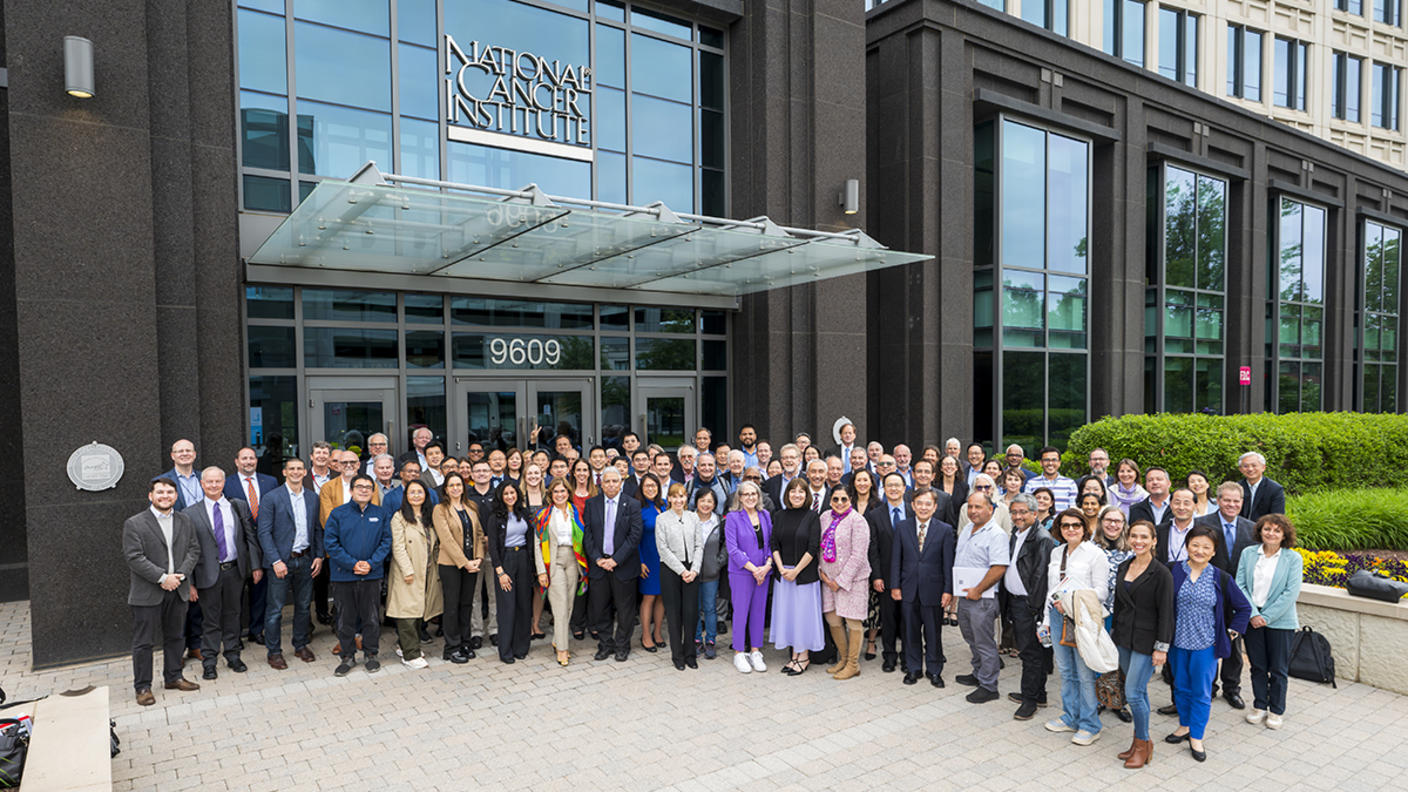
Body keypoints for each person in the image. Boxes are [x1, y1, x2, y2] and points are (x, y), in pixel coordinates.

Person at [1165, 526, 1252, 761]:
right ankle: (1184, 726)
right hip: (1177, 643)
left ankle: (1197, 736)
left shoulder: (1220, 577)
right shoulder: (1173, 571)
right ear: (1187, 546)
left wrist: (1232, 632)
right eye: (1195, 545)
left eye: (1206, 547)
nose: (1199, 550)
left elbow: (1244, 608)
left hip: (1206, 645)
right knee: (1180, 687)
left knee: (1201, 692)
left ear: (1213, 552)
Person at [125, 477, 201, 705]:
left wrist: (180, 575)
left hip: (178, 588)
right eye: (160, 492)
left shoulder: (185, 520)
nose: (165, 496)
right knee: (144, 642)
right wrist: (162, 578)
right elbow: (134, 557)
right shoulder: (135, 523)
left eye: (169, 492)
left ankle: (173, 677)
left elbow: (193, 550)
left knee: (176, 637)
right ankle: (143, 687)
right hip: (148, 591)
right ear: (151, 495)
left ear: (175, 496)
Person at [1041, 507, 1110, 744]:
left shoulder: (1095, 554)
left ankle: (1090, 724)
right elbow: (1050, 591)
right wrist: (1046, 620)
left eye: (1076, 525)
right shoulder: (1056, 552)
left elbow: (1102, 591)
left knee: (1084, 672)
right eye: (1065, 525)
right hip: (1058, 616)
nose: (1071, 529)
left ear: (1084, 528)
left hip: (1082, 619)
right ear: (1059, 529)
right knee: (1066, 671)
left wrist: (1071, 600)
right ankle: (1070, 716)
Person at [185, 467, 260, 680]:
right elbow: (187, 550)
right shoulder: (191, 513)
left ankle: (233, 655)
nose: (214, 485)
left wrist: (255, 566)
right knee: (210, 620)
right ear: (202, 484)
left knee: (233, 615)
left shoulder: (238, 506)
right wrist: (189, 583)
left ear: (224, 483)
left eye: (218, 481)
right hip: (207, 574)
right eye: (209, 482)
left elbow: (249, 539)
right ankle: (209, 661)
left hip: (234, 571)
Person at [1110, 520, 1174, 769]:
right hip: (1124, 637)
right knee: (1138, 691)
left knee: (1133, 694)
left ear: (1154, 540)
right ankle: (1140, 744)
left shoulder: (1161, 573)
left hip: (1147, 642)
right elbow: (1119, 604)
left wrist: (1162, 647)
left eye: (1144, 537)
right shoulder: (1125, 565)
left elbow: (1167, 613)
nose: (1138, 541)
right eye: (1134, 536)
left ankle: (1143, 743)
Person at [1236, 514, 1303, 730]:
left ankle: (1276, 710)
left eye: (1276, 530)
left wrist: (1266, 617)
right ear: (1260, 531)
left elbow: (1290, 593)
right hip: (1252, 619)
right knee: (1257, 666)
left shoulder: (1292, 559)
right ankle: (1259, 705)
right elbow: (1240, 585)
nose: (1271, 533)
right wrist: (1253, 614)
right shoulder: (1248, 554)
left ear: (1284, 535)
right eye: (1267, 529)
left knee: (1278, 668)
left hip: (1280, 622)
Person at [1196, 481, 1257, 708]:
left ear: (1242, 503)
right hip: (1207, 591)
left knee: (1234, 645)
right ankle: (1208, 687)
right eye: (1227, 500)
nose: (1231, 504)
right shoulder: (1202, 523)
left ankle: (1231, 688)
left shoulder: (1251, 528)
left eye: (1236, 501)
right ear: (1218, 500)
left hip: (1237, 596)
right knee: (1208, 643)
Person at [258, 457, 322, 669]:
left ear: (305, 472)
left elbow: (316, 530)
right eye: (291, 469)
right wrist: (275, 560)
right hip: (281, 562)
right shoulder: (271, 498)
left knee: (304, 607)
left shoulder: (313, 498)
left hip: (305, 560)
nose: (295, 472)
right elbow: (264, 532)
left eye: (299, 469)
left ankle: (300, 644)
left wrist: (318, 556)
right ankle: (274, 651)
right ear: (284, 472)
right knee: (275, 609)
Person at [325, 475, 392, 676]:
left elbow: (386, 542)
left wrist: (370, 564)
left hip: (372, 575)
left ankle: (371, 654)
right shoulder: (338, 514)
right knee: (345, 618)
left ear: (373, 491)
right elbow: (331, 543)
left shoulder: (381, 514)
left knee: (371, 617)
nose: (364, 490)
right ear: (352, 491)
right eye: (359, 487)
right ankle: (347, 656)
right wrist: (352, 564)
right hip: (344, 575)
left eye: (368, 487)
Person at [890, 487, 954, 687]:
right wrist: (895, 585)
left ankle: (934, 670)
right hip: (908, 589)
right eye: (920, 503)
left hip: (933, 590)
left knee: (933, 632)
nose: (923, 507)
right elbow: (896, 559)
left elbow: (948, 563)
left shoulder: (944, 530)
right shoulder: (902, 527)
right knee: (910, 631)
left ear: (935, 507)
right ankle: (914, 668)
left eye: (928, 504)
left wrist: (947, 590)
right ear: (913, 505)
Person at [953, 492, 1009, 703]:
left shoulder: (996, 534)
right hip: (966, 596)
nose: (973, 511)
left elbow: (999, 567)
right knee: (970, 638)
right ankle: (978, 673)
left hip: (983, 598)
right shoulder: (968, 528)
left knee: (985, 642)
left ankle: (989, 685)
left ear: (990, 509)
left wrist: (978, 589)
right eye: (970, 507)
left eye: (978, 507)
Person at [584, 468, 645, 662]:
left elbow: (635, 536)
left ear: (621, 483)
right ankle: (605, 644)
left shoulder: (633, 504)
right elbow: (588, 535)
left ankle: (622, 645)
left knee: (625, 609)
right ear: (601, 483)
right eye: (607, 481)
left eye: (614, 481)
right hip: (599, 566)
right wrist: (598, 559)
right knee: (600, 608)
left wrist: (615, 559)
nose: (611, 484)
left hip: (623, 565)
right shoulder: (591, 504)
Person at [1002, 494, 1054, 720]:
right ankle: (1038, 693)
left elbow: (1040, 576)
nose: (1017, 516)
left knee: (1030, 653)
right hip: (1017, 601)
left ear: (1034, 513)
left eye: (1023, 512)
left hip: (1029, 605)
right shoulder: (1017, 533)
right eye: (1014, 512)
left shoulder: (1042, 538)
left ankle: (1029, 700)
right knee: (1035, 652)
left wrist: (1034, 609)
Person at [769, 479, 824, 675]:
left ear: (806, 494)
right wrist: (782, 568)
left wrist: (795, 571)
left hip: (803, 576)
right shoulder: (779, 515)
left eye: (801, 491)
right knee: (789, 616)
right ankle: (794, 656)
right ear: (788, 494)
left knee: (802, 617)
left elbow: (812, 547)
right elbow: (774, 543)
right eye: (793, 491)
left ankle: (804, 657)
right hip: (784, 574)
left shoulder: (812, 516)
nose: (797, 495)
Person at [431, 472, 486, 663]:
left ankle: (465, 642)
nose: (455, 488)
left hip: (472, 563)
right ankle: (451, 647)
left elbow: (479, 534)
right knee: (452, 606)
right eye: (451, 485)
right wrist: (465, 562)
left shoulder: (471, 507)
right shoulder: (440, 509)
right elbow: (446, 540)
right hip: (451, 565)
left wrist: (478, 558)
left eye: (459, 484)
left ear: (464, 487)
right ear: (446, 489)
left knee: (466, 605)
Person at [387, 480, 442, 670]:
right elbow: (398, 546)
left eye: (420, 491)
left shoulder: (429, 517)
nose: (416, 495)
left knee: (419, 611)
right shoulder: (399, 517)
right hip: (408, 572)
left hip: (427, 569)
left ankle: (406, 646)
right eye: (412, 492)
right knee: (407, 613)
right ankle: (410, 655)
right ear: (406, 495)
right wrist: (407, 570)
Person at [819, 486, 871, 680]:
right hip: (828, 579)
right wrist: (822, 574)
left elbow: (859, 555)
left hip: (853, 580)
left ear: (851, 499)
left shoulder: (858, 521)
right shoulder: (824, 517)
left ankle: (853, 664)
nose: (839, 503)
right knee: (832, 619)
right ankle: (842, 658)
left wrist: (840, 581)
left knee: (852, 621)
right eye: (835, 499)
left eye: (844, 499)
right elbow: (819, 547)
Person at [536, 477, 587, 667]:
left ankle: (558, 639)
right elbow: (537, 544)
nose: (559, 495)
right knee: (560, 605)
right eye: (556, 491)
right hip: (554, 561)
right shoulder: (544, 515)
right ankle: (563, 650)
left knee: (569, 605)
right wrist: (542, 571)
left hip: (573, 560)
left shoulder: (576, 513)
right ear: (551, 494)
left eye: (563, 491)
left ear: (568, 493)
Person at [724, 481, 773, 673]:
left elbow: (770, 543)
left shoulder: (765, 515)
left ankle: (755, 651)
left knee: (759, 612)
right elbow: (733, 549)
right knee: (741, 612)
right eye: (746, 494)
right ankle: (738, 653)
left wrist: (767, 566)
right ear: (740, 497)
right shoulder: (733, 518)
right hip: (742, 572)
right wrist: (754, 569)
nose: (751, 497)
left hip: (763, 571)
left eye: (754, 494)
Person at [656, 483, 705, 670]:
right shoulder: (662, 519)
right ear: (669, 498)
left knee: (691, 613)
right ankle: (677, 655)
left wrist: (694, 569)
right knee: (674, 614)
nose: (678, 500)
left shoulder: (693, 517)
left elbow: (699, 545)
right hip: (671, 569)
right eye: (674, 497)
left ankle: (690, 654)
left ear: (686, 498)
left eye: (682, 496)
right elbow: (663, 549)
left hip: (692, 569)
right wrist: (682, 571)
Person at [867, 472, 912, 671]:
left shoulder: (914, 511)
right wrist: (876, 576)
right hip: (884, 576)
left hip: (910, 575)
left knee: (908, 617)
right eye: (889, 485)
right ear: (884, 489)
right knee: (888, 618)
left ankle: (907, 656)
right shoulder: (875, 515)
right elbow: (873, 549)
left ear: (904, 488)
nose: (893, 489)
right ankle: (889, 656)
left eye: (897, 485)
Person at [487, 481, 535, 664]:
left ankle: (521, 647)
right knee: (507, 607)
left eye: (512, 493)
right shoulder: (495, 517)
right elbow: (492, 546)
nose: (509, 496)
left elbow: (530, 538)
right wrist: (500, 572)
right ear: (501, 496)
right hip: (505, 561)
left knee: (524, 604)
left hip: (523, 558)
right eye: (506, 493)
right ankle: (506, 650)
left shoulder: (523, 513)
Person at [692, 488, 726, 659]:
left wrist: (718, 562)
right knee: (694, 608)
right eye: (702, 500)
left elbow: (726, 545)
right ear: (696, 502)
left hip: (712, 573)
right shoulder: (689, 519)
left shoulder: (719, 521)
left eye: (709, 501)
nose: (706, 504)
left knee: (710, 608)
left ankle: (711, 640)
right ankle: (697, 639)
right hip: (692, 572)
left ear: (714, 504)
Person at [635, 474, 666, 653]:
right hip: (647, 558)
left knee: (662, 596)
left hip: (664, 559)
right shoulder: (638, 508)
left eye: (653, 486)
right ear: (641, 488)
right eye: (647, 486)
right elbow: (635, 538)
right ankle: (646, 635)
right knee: (649, 597)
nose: (650, 489)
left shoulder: (663, 505)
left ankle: (658, 633)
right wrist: (640, 561)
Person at [1024, 446, 1078, 511]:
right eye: (1046, 460)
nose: (1050, 463)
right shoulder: (1031, 484)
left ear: (1059, 463)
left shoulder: (1070, 484)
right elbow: (1028, 508)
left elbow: (1073, 509)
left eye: (1054, 460)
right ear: (1041, 463)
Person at [1238, 452, 1286, 521]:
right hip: (1240, 528)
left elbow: (1277, 517)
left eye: (1254, 465)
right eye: (1246, 466)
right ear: (1240, 469)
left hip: (1263, 529)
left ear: (1263, 467)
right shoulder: (1236, 487)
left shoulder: (1275, 489)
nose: (1250, 469)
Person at [159, 438, 202, 510]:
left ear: (194, 455)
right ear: (172, 456)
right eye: (180, 451)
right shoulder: (161, 481)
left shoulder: (205, 477)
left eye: (188, 450)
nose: (185, 454)